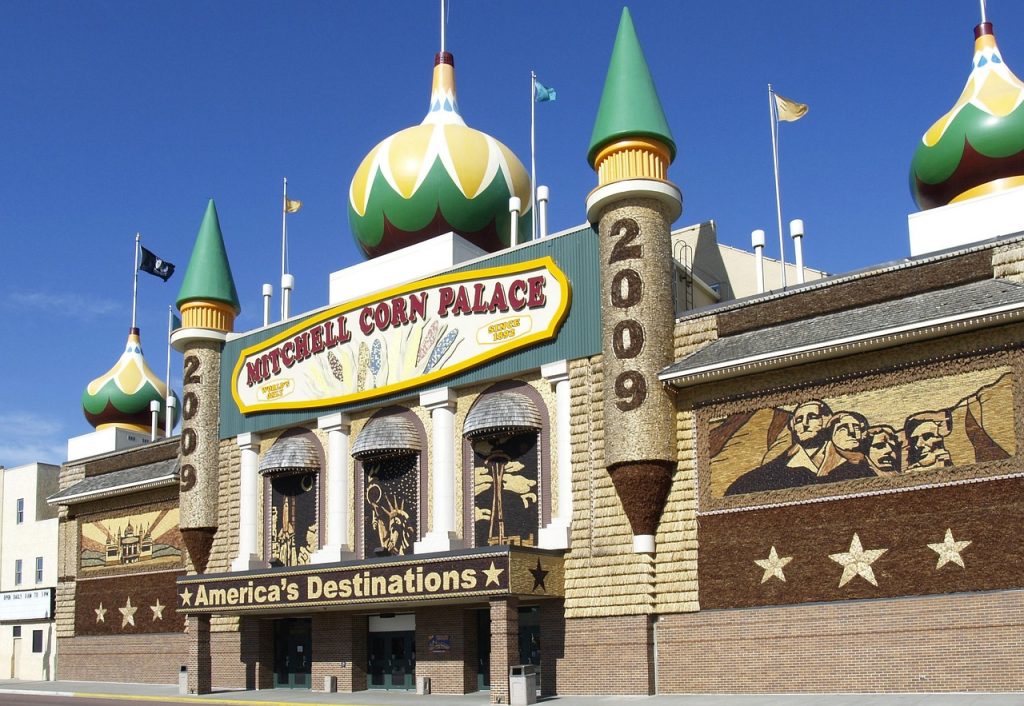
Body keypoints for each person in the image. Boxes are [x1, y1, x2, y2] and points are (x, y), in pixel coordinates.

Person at [724, 400, 832, 495]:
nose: (804, 424)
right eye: (799, 420)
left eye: (812, 417)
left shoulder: (843, 460)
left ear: (827, 420)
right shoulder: (764, 475)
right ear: (792, 426)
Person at [817, 411, 875, 482]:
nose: (851, 432)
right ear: (831, 436)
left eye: (856, 428)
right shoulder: (834, 474)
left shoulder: (871, 467)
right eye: (843, 429)